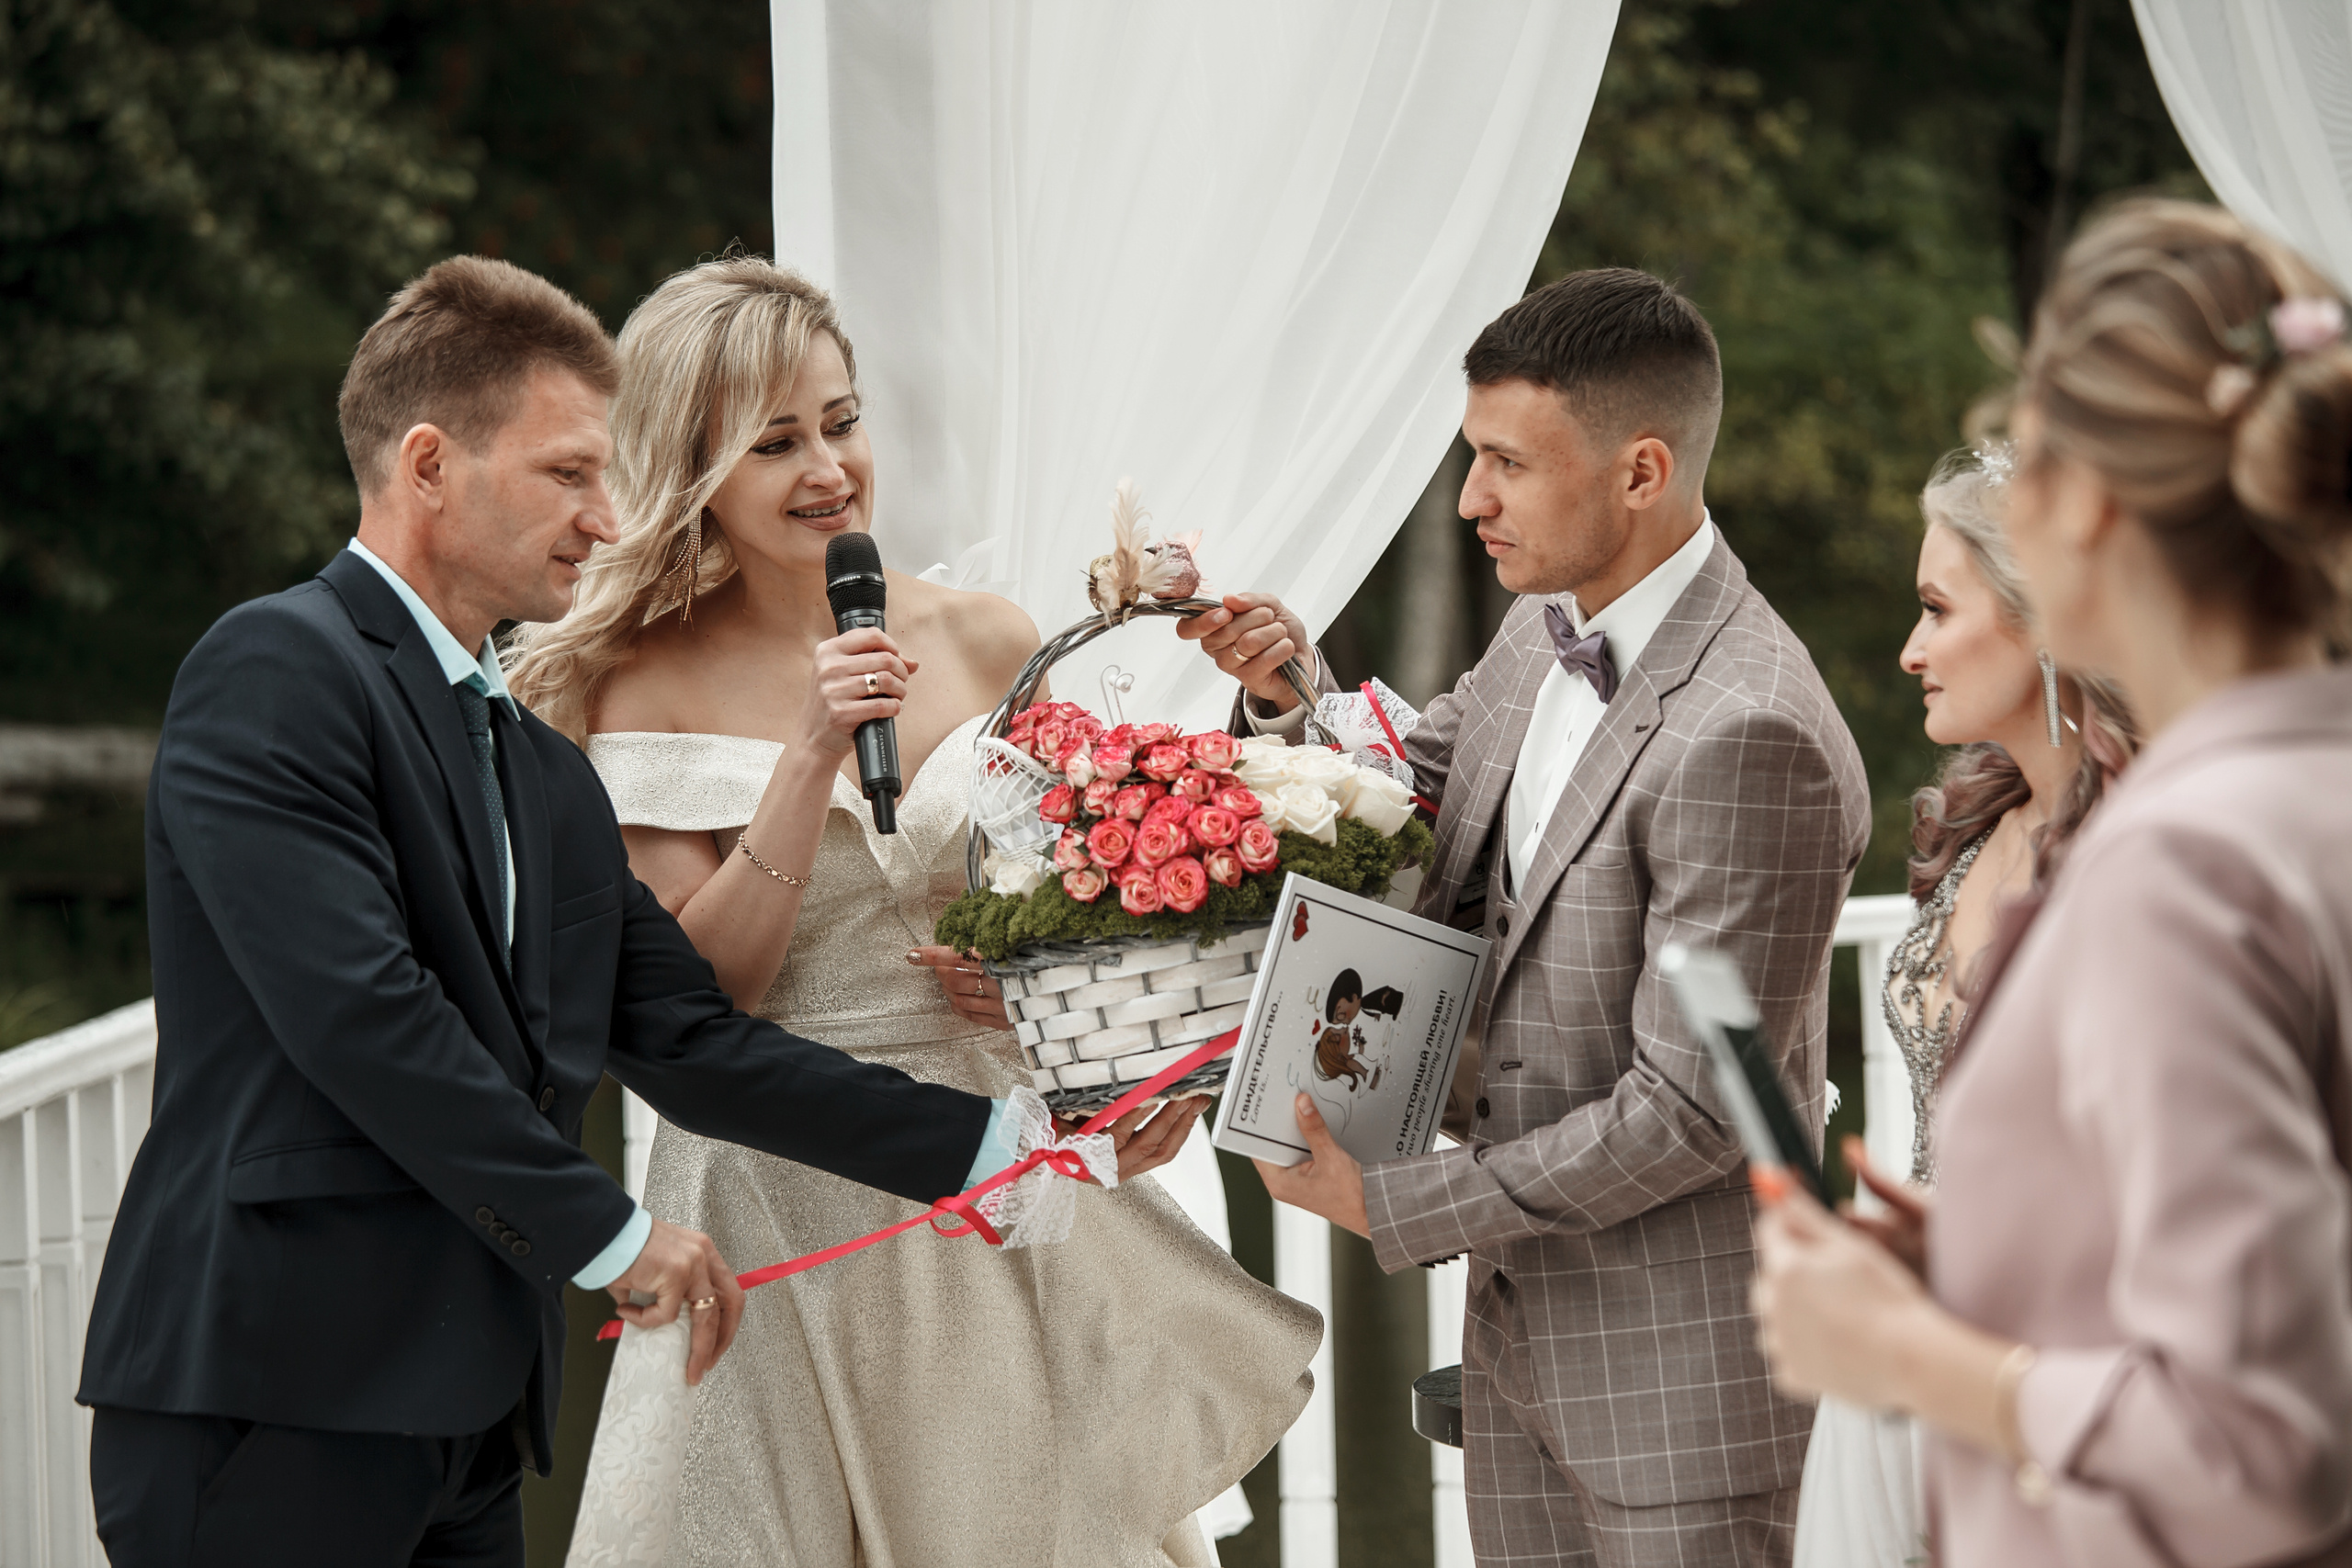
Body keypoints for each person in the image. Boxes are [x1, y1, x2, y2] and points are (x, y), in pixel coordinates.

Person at [74, 255, 1199, 1568]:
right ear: (430, 465)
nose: (607, 520)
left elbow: (686, 1036)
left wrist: (1006, 1151)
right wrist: (609, 1234)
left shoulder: (535, 763)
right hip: (276, 1392)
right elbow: (365, 1018)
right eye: (568, 475)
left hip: (472, 1420)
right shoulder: (275, 666)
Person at [506, 254, 1319, 1568]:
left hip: (1000, 1179)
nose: (829, 467)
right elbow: (703, 999)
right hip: (773, 1192)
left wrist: (1042, 1004)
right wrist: (809, 756)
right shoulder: (631, 677)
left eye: (841, 421)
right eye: (776, 441)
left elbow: (1088, 897)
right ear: (694, 469)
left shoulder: (989, 636)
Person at [1184, 267, 1871, 1567]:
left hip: (1684, 1379)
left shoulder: (1753, 729)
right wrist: (1288, 699)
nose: (1470, 498)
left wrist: (1398, 1201)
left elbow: (1693, 1110)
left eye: (1507, 461)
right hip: (1517, 1353)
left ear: (1641, 471)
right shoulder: (1543, 623)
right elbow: (1424, 798)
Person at [1752, 199, 2352, 1567]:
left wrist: (1909, 1354)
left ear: (2083, 506)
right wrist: (1992, 1262)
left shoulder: (2179, 868)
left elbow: (2262, 1444)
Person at [1791, 447, 2134, 1568]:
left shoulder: (2146, 856)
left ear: (2043, 620)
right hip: (1917, 1314)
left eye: (1938, 609)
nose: (1909, 649)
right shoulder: (1978, 824)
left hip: (2058, 1338)